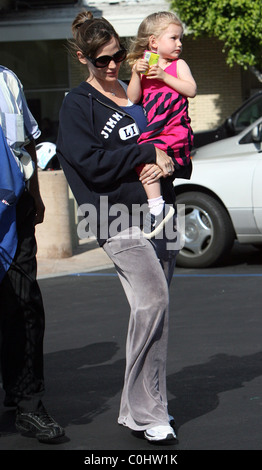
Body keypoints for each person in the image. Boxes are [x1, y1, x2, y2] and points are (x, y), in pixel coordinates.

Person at [56, 10, 190, 443]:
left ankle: (141, 407)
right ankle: (149, 412)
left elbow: (166, 139)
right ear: (83, 58)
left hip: (160, 210)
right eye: (101, 61)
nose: (111, 66)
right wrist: (144, 152)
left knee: (156, 310)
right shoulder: (77, 105)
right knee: (152, 300)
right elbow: (90, 165)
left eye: (115, 56)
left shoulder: (136, 93)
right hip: (112, 216)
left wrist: (165, 162)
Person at [0, 65, 64, 443]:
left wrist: (36, 195)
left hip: (14, 209)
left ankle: (28, 404)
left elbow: (25, 143)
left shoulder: (7, 80)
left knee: (24, 305)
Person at [127, 11, 197, 238]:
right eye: (173, 38)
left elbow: (191, 90)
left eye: (180, 38)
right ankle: (157, 207)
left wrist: (165, 77)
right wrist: (137, 75)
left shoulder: (179, 65)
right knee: (145, 160)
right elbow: (132, 98)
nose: (179, 43)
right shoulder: (146, 64)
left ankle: (157, 208)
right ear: (154, 42)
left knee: (156, 164)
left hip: (176, 129)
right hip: (154, 130)